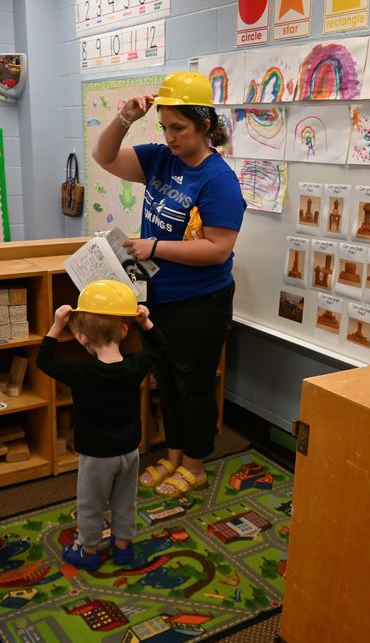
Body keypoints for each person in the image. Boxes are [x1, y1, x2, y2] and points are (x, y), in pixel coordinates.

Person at [92, 71, 246, 497]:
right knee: (167, 383)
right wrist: (124, 118)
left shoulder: (219, 180)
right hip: (157, 298)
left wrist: (155, 246)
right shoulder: (161, 159)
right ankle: (174, 454)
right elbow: (104, 156)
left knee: (193, 388)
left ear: (204, 125)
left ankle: (195, 465)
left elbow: (218, 248)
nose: (170, 136)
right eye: (164, 126)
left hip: (200, 303)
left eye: (179, 127)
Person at [36, 280, 164, 570]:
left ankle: (90, 550)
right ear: (123, 330)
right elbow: (158, 347)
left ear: (81, 338)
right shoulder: (134, 366)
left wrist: (57, 325)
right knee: (125, 500)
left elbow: (44, 360)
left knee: (91, 504)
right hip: (129, 450)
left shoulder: (80, 371)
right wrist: (146, 322)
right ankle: (122, 547)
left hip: (96, 455)